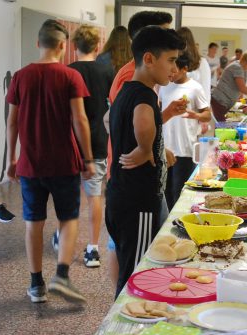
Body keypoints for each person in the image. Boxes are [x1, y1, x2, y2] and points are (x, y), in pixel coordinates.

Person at [6, 19, 95, 304]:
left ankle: (36, 285)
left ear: (38, 43)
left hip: (31, 164)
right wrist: (89, 157)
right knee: (68, 218)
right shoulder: (70, 76)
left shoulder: (21, 76)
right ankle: (62, 275)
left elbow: (12, 122)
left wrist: (12, 158)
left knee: (34, 221)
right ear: (62, 45)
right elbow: (79, 120)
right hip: (64, 162)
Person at [104, 10, 183, 289]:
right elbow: (143, 120)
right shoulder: (143, 96)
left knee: (132, 270)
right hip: (137, 202)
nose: (174, 69)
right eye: (171, 61)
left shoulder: (129, 89)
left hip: (123, 197)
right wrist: (145, 148)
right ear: (148, 59)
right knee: (135, 280)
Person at [69, 24, 113, 268]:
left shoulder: (67, 71)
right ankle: (93, 249)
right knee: (94, 194)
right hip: (97, 139)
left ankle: (64, 235)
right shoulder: (107, 72)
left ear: (74, 46)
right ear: (97, 46)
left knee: (69, 193)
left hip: (69, 142)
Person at [159, 52, 211, 209]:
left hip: (186, 148)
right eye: (171, 69)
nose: (172, 73)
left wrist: (196, 115)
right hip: (165, 148)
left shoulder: (195, 87)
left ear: (185, 69)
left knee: (180, 192)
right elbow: (159, 111)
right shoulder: (164, 85)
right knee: (165, 192)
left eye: (175, 70)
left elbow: (207, 115)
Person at [177, 27, 211, 135]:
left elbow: (205, 90)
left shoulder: (201, 62)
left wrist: (203, 116)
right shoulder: (174, 60)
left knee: (191, 141)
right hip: (176, 109)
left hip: (193, 110)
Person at [210, 51, 247, 121]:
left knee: (222, 124)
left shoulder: (242, 68)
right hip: (220, 101)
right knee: (221, 127)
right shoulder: (237, 67)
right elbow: (242, 87)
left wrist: (241, 99)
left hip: (224, 102)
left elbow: (240, 87)